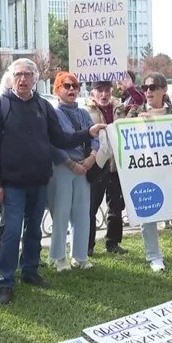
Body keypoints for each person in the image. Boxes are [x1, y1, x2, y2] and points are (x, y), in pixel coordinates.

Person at [0, 58, 106, 304]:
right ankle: (5, 281)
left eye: (27, 75)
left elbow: (60, 138)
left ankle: (30, 270)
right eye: (18, 74)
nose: (22, 79)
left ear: (35, 78)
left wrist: (87, 133)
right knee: (11, 232)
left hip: (39, 180)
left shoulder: (43, 105)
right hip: (11, 183)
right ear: (11, 77)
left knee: (33, 230)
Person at [125, 72, 172, 271]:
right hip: (146, 173)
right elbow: (121, 134)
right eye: (145, 87)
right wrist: (136, 124)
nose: (148, 91)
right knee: (148, 216)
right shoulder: (134, 113)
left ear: (164, 90)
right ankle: (154, 256)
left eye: (153, 87)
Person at [85, 76, 142, 256]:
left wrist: (131, 88)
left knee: (116, 206)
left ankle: (113, 243)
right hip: (97, 164)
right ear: (92, 92)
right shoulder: (86, 110)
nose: (104, 94)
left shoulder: (120, 107)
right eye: (99, 90)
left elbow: (139, 103)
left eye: (107, 90)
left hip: (118, 164)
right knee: (90, 207)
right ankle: (88, 245)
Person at [47, 72, 98, 271]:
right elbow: (52, 142)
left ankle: (80, 255)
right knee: (60, 212)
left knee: (82, 213)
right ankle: (59, 257)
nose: (71, 90)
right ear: (57, 89)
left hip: (84, 168)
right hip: (62, 167)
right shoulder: (53, 113)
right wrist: (70, 164)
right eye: (66, 86)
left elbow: (95, 135)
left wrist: (92, 157)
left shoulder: (84, 113)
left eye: (74, 86)